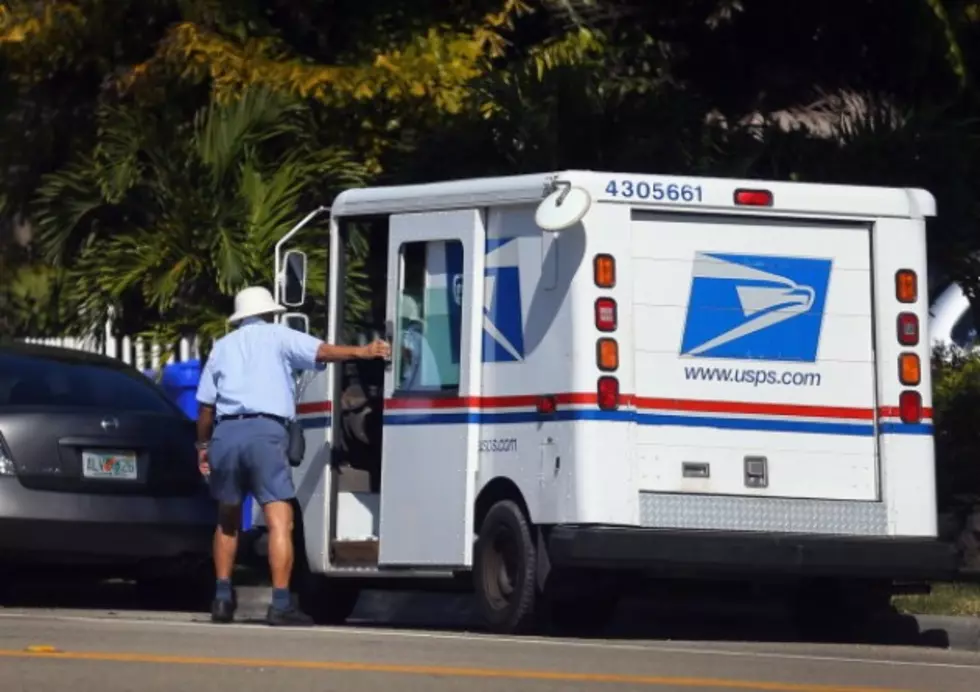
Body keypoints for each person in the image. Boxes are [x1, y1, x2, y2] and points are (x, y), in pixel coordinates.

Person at [195, 285, 390, 626]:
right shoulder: (280, 336)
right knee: (279, 521)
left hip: (225, 434)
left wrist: (202, 447)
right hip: (265, 433)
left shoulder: (221, 348)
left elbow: (206, 407)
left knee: (227, 520)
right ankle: (281, 603)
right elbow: (324, 352)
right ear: (271, 313)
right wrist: (364, 351)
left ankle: (222, 599)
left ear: (240, 317)